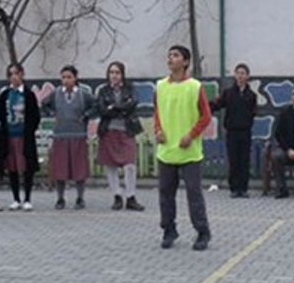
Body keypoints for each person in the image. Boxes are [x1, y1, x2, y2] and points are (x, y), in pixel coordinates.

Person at [154, 45, 212, 250]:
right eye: (169, 55)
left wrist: (191, 135)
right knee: (165, 194)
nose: (170, 59)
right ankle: (168, 229)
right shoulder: (160, 86)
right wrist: (158, 130)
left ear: (185, 62)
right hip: (167, 150)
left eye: (176, 56)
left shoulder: (195, 86)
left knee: (193, 194)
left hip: (189, 152)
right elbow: (158, 112)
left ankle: (202, 232)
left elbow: (206, 116)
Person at [96, 61, 144, 211]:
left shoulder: (130, 89)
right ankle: (117, 196)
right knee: (111, 165)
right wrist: (120, 108)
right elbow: (102, 110)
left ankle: (130, 197)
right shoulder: (103, 90)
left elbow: (132, 104)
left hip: (127, 130)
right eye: (111, 72)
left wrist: (114, 107)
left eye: (117, 72)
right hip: (109, 130)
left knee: (130, 165)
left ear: (122, 74)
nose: (114, 75)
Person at [45, 65, 95, 210]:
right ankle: (60, 198)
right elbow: (44, 105)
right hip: (60, 135)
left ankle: (80, 198)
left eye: (69, 77)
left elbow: (96, 105)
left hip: (78, 135)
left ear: (75, 78)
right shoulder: (55, 94)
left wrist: (85, 116)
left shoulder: (83, 94)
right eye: (63, 77)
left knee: (79, 169)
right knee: (60, 169)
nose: (66, 80)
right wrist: (53, 115)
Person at [0, 62, 41, 211]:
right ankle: (16, 198)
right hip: (9, 136)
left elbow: (35, 116)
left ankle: (27, 198)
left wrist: (29, 130)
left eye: (16, 73)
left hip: (24, 136)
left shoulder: (28, 94)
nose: (14, 77)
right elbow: (1, 116)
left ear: (22, 75)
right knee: (12, 167)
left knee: (27, 166)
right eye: (11, 74)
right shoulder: (5, 95)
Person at [210, 62, 257, 198]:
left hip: (245, 131)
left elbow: (253, 112)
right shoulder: (229, 93)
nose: (240, 76)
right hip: (232, 131)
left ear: (248, 76)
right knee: (234, 159)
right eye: (238, 73)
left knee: (244, 160)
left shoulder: (251, 95)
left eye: (243, 73)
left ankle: (244, 188)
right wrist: (205, 107)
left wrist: (248, 122)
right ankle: (234, 188)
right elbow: (217, 104)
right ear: (235, 75)